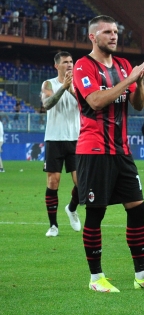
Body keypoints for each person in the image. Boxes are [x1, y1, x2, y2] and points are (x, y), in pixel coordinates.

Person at [73, 15, 144, 292]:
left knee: (138, 208)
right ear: (93, 36)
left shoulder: (123, 65)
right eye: (107, 32)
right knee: (96, 213)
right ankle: (96, 279)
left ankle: (142, 275)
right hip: (93, 150)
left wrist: (139, 82)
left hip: (121, 151)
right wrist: (129, 78)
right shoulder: (84, 66)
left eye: (116, 31)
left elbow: (139, 104)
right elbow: (94, 101)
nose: (114, 36)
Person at [40, 51, 82, 237]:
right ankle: (53, 226)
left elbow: (88, 106)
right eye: (65, 62)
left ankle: (71, 208)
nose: (70, 64)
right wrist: (63, 87)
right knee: (53, 182)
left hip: (76, 139)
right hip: (54, 139)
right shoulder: (49, 84)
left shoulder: (81, 84)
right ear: (57, 65)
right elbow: (47, 104)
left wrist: (72, 89)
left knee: (82, 182)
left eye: (71, 61)